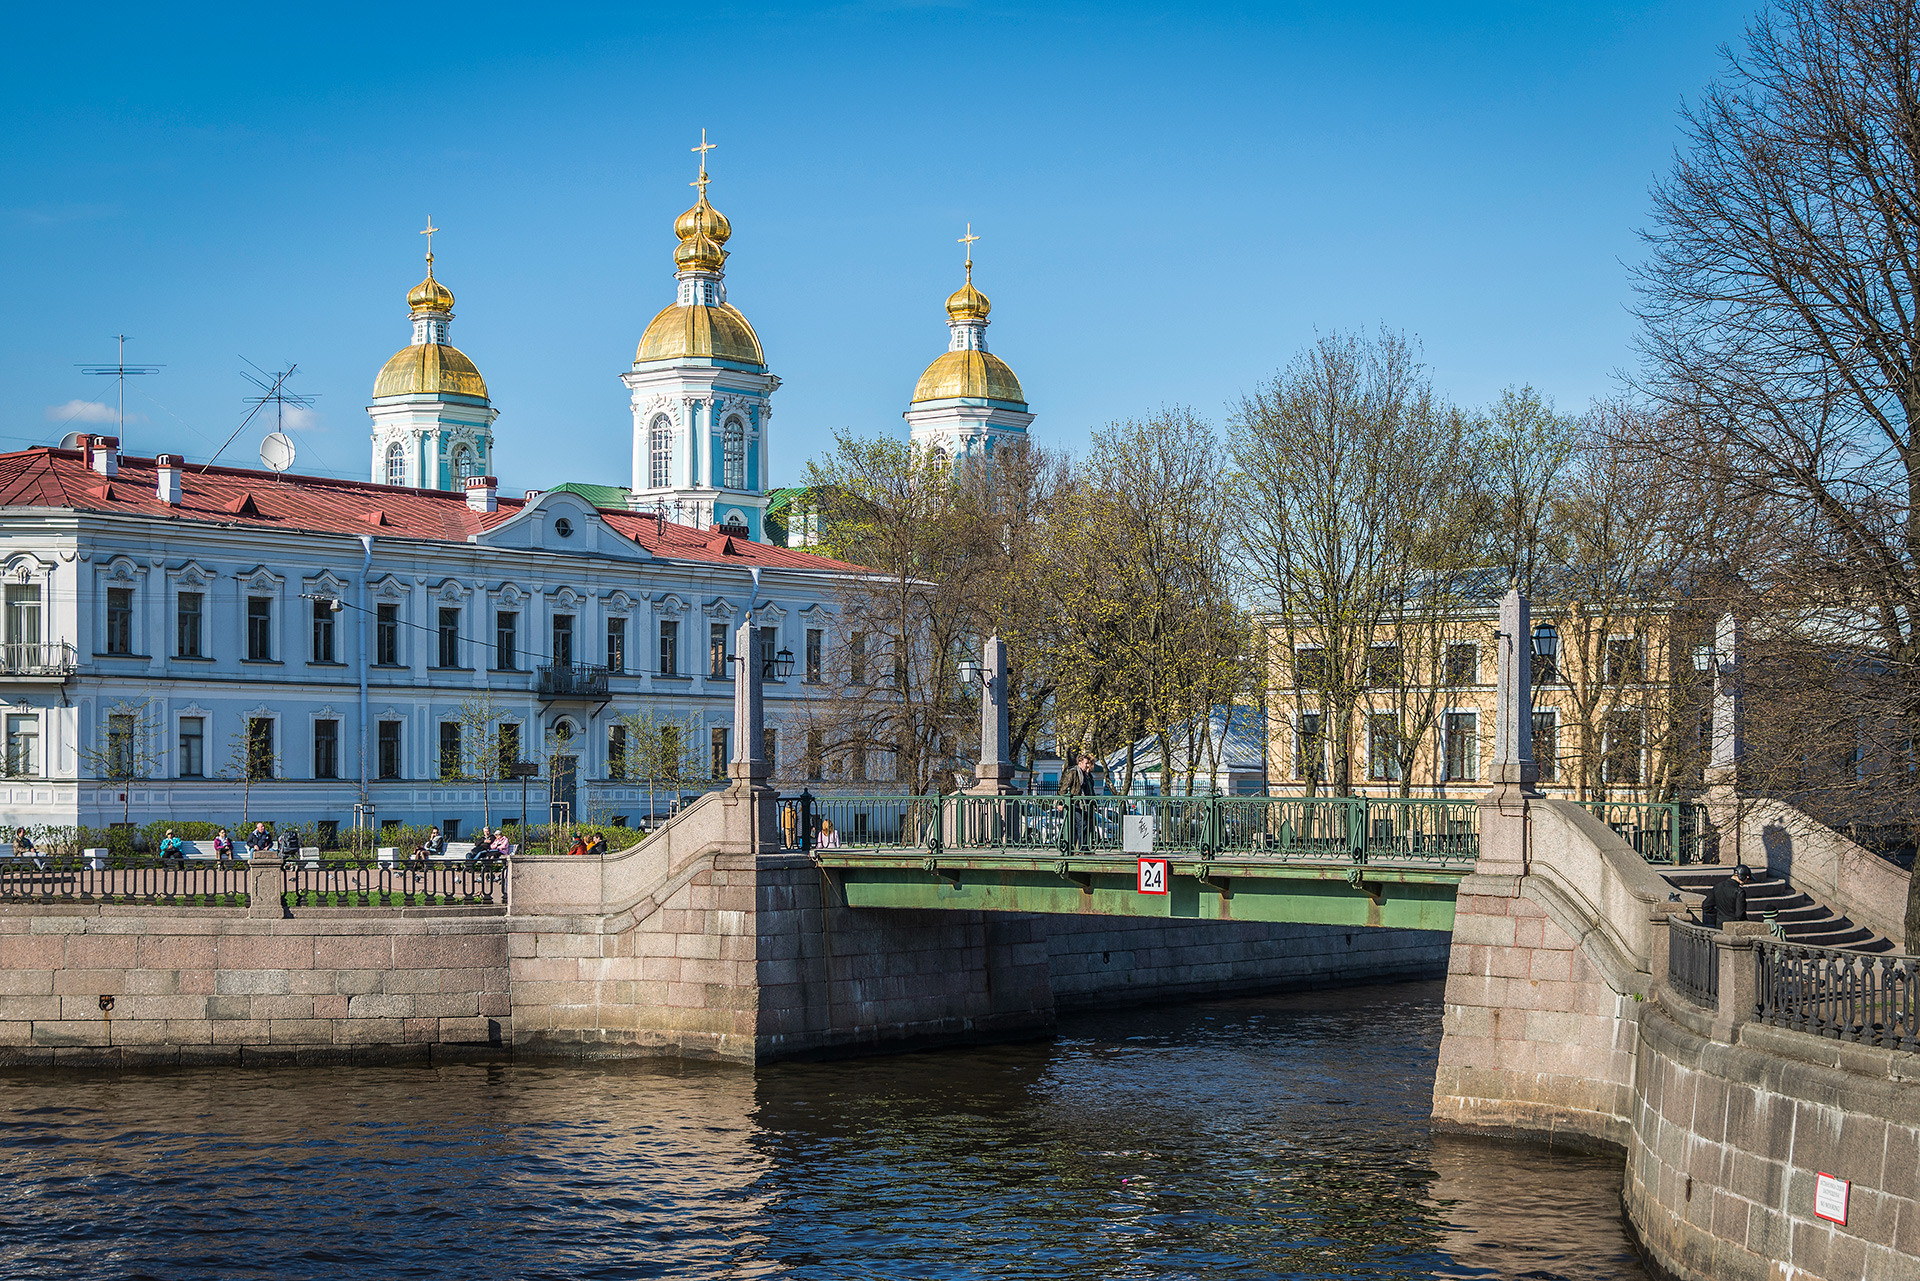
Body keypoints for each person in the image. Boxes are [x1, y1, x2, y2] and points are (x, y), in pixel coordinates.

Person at [1059, 752, 1101, 850]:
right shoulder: (1073, 772)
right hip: (1075, 803)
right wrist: (1060, 802)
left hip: (1085, 804)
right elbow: (1064, 787)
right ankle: (1081, 848)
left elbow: (1090, 791)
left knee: (1085, 825)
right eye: (1086, 763)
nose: (1087, 766)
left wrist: (1094, 803)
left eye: (1088, 763)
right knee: (1082, 824)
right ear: (1080, 763)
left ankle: (1082, 848)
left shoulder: (1087, 775)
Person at [1703, 863, 1752, 929]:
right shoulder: (1739, 891)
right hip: (1733, 927)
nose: (1747, 881)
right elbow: (1739, 914)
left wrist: (1718, 915)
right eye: (1747, 879)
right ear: (1744, 877)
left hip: (1719, 925)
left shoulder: (1718, 886)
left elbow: (1706, 906)